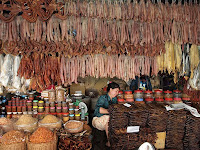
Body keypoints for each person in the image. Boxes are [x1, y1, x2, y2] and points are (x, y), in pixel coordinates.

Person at [92, 82, 120, 147]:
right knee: (108, 120)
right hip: (97, 119)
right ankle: (109, 141)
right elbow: (99, 109)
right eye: (116, 91)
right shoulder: (102, 98)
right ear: (110, 89)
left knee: (111, 120)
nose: (117, 93)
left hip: (107, 120)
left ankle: (114, 141)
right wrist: (111, 111)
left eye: (118, 91)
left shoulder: (115, 99)